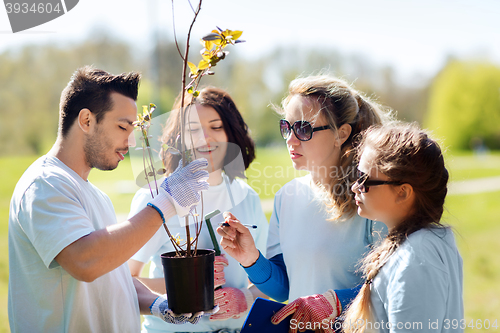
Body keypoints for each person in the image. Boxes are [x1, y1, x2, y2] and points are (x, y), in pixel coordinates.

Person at [8, 66, 213, 332]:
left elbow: (114, 277)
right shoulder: (44, 184)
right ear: (86, 120)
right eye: (122, 127)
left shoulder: (97, 196)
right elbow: (85, 262)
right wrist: (166, 203)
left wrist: (158, 305)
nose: (131, 142)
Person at [218, 75, 391, 329]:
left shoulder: (370, 199)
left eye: (303, 128)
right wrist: (251, 259)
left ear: (341, 134)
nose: (290, 139)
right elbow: (284, 288)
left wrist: (335, 302)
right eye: (287, 127)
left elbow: (391, 288)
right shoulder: (286, 197)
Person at [128, 86, 269, 333]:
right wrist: (185, 284)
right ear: (179, 138)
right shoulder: (158, 197)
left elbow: (269, 280)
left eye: (216, 127)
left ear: (232, 134)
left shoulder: (247, 197)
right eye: (193, 129)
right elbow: (123, 281)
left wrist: (245, 297)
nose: (205, 138)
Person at [342, 122, 463, 333]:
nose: (355, 187)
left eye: (364, 179)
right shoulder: (419, 245)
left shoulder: (417, 258)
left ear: (403, 192)